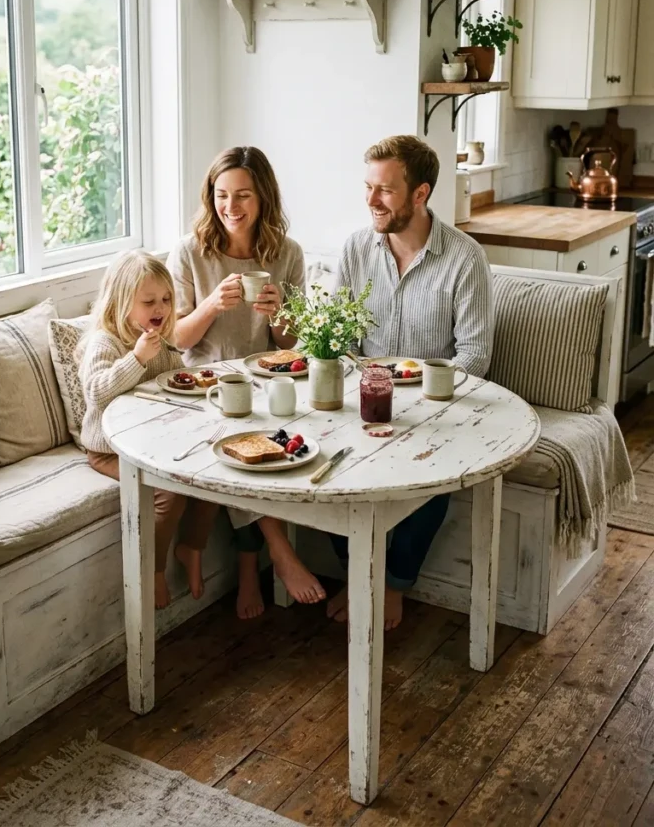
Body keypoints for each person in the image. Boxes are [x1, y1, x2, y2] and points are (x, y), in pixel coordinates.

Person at [328, 134, 493, 631]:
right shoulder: (357, 249)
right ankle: (363, 575)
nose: (371, 201)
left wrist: (421, 400)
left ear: (420, 194)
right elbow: (339, 336)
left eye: (385, 190)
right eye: (368, 187)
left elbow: (475, 355)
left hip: (436, 408)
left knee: (431, 479)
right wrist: (360, 380)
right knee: (327, 472)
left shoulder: (465, 258)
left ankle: (394, 585)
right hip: (366, 399)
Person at [168, 146, 326, 619]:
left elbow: (291, 346)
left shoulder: (286, 254)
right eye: (221, 195)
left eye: (242, 196)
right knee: (239, 436)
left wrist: (278, 315)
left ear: (263, 199)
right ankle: (278, 552)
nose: (231, 207)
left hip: (265, 382)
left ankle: (242, 566)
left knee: (272, 445)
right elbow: (176, 338)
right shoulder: (189, 252)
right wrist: (212, 304)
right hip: (202, 387)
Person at [78, 250, 218, 611]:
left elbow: (173, 379)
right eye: (149, 301)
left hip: (153, 440)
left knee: (209, 475)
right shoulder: (106, 342)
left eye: (167, 299)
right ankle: (152, 570)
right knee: (167, 494)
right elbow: (96, 391)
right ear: (123, 302)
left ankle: (192, 546)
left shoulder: (159, 338)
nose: (162, 308)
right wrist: (136, 357)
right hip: (108, 449)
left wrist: (194, 382)